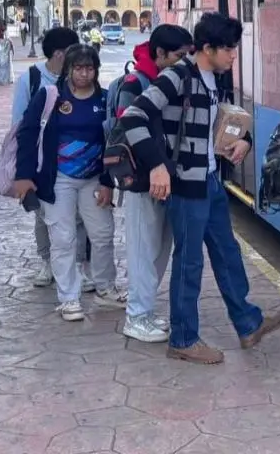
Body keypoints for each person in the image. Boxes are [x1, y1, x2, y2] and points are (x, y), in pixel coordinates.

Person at [119, 12, 280, 364]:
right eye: (229, 49)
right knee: (189, 262)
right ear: (208, 48)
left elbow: (224, 121)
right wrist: (157, 166)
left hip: (210, 181)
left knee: (227, 253)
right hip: (186, 186)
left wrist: (244, 140)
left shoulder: (216, 79)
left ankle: (248, 323)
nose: (234, 56)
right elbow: (133, 118)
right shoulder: (178, 76)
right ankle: (183, 339)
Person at [13, 44, 124, 321]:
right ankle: (69, 299)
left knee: (101, 235)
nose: (84, 74)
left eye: (89, 68)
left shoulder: (106, 99)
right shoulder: (50, 97)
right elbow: (27, 134)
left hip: (94, 180)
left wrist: (109, 182)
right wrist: (24, 177)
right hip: (58, 179)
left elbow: (114, 142)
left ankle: (105, 288)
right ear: (68, 69)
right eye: (78, 68)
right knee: (62, 239)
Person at [109, 24, 194, 343]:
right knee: (143, 249)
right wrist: (156, 167)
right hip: (144, 179)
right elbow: (126, 129)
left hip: (168, 178)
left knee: (160, 250)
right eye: (180, 56)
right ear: (160, 54)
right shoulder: (136, 83)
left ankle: (145, 310)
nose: (186, 62)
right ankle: (136, 316)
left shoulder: (173, 81)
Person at [10, 26, 93, 289]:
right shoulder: (32, 79)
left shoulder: (76, 79)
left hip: (74, 160)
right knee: (43, 214)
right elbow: (19, 124)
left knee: (78, 215)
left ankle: (79, 265)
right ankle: (47, 262)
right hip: (42, 160)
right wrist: (22, 170)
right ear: (59, 54)